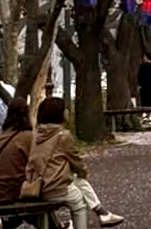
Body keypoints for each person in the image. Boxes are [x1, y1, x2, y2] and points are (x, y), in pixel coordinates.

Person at [33, 95, 125, 228]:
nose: (67, 112)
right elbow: (76, 162)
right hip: (57, 188)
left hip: (38, 187)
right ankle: (100, 214)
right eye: (65, 109)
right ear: (58, 113)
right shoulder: (63, 136)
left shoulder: (36, 135)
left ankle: (102, 213)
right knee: (79, 204)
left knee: (77, 180)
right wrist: (84, 173)